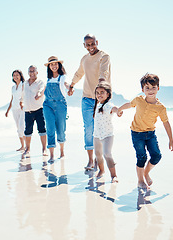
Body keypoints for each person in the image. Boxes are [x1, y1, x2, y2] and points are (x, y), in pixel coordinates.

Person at [117, 73, 173, 189]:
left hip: (150, 134)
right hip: (137, 134)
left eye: (153, 87)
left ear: (158, 88)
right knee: (141, 156)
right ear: (142, 89)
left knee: (156, 156)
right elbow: (129, 104)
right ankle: (140, 180)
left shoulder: (160, 107)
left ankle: (146, 173)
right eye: (147, 88)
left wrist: (171, 139)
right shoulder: (139, 100)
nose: (150, 90)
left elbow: (166, 123)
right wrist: (119, 109)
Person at [68, 34, 111, 170]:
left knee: (101, 128)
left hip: (101, 98)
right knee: (88, 129)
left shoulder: (104, 56)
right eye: (88, 44)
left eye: (93, 43)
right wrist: (72, 85)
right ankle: (91, 160)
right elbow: (79, 73)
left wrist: (100, 89)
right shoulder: (84, 59)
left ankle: (100, 160)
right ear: (84, 46)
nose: (91, 47)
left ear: (97, 42)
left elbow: (103, 73)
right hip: (86, 98)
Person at [43, 56, 70, 162]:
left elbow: (66, 84)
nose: (54, 66)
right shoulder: (48, 79)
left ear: (59, 65)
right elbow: (44, 90)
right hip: (47, 105)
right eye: (51, 64)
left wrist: (69, 88)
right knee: (49, 129)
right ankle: (51, 155)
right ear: (49, 66)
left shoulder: (63, 77)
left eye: (55, 64)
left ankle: (62, 152)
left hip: (60, 105)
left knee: (61, 130)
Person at [91, 82, 119, 183]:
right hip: (97, 135)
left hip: (107, 135)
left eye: (102, 92)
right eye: (97, 93)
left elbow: (114, 108)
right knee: (98, 154)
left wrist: (118, 111)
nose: (99, 95)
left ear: (108, 94)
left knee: (107, 154)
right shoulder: (98, 105)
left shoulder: (108, 105)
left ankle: (113, 175)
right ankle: (101, 171)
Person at [21, 65, 47, 157]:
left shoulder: (40, 82)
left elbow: (41, 90)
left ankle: (44, 149)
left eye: (33, 71)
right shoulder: (25, 83)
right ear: (28, 72)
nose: (32, 73)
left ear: (37, 72)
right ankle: (27, 149)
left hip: (39, 110)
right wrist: (21, 102)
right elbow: (23, 95)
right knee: (28, 131)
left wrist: (39, 94)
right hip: (28, 110)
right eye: (30, 71)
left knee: (42, 130)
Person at [5, 69, 26, 151]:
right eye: (14, 75)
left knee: (21, 127)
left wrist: (23, 102)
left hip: (22, 109)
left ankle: (27, 147)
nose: (15, 77)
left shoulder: (24, 85)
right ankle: (22, 146)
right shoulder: (13, 87)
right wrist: (7, 110)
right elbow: (12, 99)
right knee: (18, 128)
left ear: (20, 76)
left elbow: (26, 96)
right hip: (14, 109)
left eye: (17, 75)